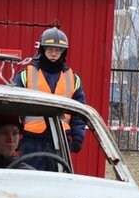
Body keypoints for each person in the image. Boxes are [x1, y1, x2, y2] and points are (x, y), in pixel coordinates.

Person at [13, 27, 86, 169]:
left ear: (63, 52)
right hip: (31, 141)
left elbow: (79, 113)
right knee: (29, 182)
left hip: (61, 141)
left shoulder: (73, 79)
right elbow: (14, 109)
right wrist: (16, 136)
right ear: (42, 50)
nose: (53, 54)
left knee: (59, 184)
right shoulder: (25, 75)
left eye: (57, 50)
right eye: (50, 49)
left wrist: (78, 138)